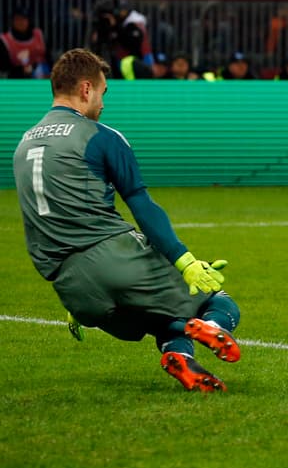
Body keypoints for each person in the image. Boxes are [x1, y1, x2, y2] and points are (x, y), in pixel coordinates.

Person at [13, 49, 242, 392]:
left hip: (70, 289)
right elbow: (141, 203)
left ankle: (183, 360)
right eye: (103, 92)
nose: (103, 103)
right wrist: (186, 261)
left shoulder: (23, 144)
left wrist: (78, 295)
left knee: (162, 320)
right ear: (87, 89)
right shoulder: (100, 136)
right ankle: (207, 325)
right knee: (219, 301)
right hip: (114, 258)